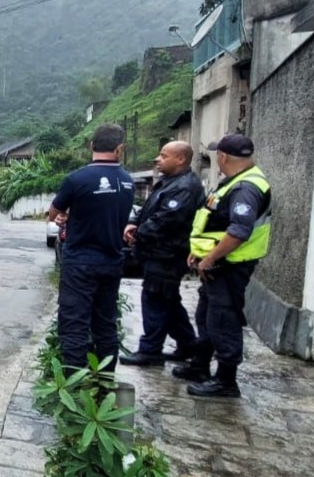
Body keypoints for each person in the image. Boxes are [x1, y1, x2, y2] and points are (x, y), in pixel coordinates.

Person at [172, 134, 271, 398]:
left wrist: (211, 257)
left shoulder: (245, 188)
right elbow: (215, 224)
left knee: (223, 319)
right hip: (218, 264)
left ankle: (226, 380)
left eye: (218, 155)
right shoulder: (236, 183)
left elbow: (239, 231)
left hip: (229, 267)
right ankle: (201, 365)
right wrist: (200, 252)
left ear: (224, 157)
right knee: (207, 315)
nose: (217, 159)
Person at [49, 123, 135, 371]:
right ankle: (105, 381)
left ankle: (75, 388)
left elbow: (54, 212)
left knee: (74, 324)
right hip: (112, 261)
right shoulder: (128, 182)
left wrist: (64, 215)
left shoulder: (76, 180)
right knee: (106, 324)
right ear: (120, 149)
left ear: (91, 146)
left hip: (80, 263)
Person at [119, 141, 205, 367]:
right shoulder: (169, 183)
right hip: (158, 253)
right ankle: (188, 344)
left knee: (155, 301)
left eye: (164, 156)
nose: (157, 159)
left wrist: (139, 232)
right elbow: (150, 210)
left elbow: (167, 220)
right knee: (168, 301)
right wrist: (133, 223)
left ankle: (150, 350)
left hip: (167, 255)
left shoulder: (185, 187)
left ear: (181, 160)